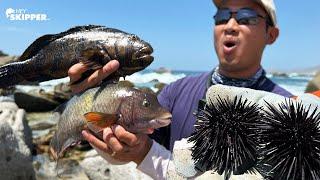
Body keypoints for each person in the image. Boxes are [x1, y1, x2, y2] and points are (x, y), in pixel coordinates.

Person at [68, 0, 293, 178]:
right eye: (222, 17)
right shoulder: (175, 92)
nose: (230, 26)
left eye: (246, 17)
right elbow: (125, 149)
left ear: (270, 34)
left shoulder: (289, 110)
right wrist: (94, 99)